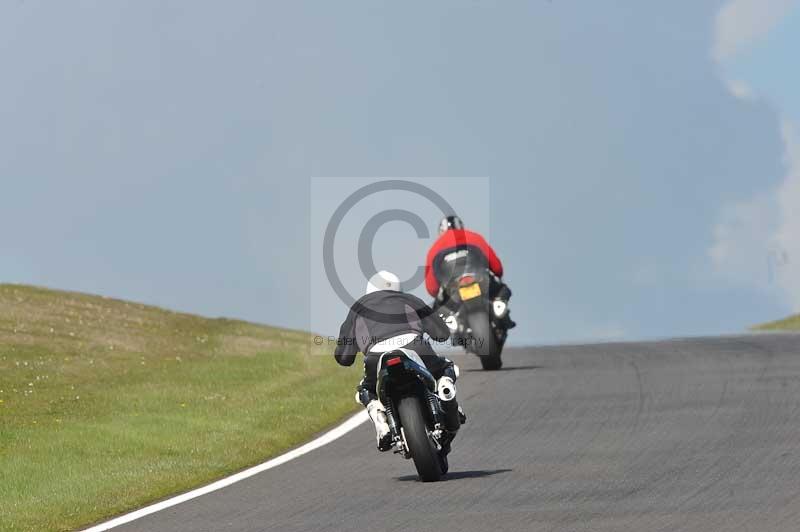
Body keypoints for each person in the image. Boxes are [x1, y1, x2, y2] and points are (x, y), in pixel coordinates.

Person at [334, 270, 464, 451]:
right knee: (445, 368)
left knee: (366, 390)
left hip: (376, 356)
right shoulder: (409, 299)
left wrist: (355, 345)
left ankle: (380, 419)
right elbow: (441, 334)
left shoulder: (357, 308)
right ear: (397, 289)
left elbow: (344, 357)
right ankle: (445, 388)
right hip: (415, 345)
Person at [425, 215, 515, 329]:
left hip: (452, 287)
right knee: (502, 289)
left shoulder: (435, 247)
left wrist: (438, 295)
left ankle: (452, 321)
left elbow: (431, 287)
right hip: (480, 278)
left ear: (441, 231)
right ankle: (500, 303)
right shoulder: (475, 237)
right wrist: (497, 275)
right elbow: (496, 266)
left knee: (437, 308)